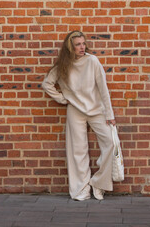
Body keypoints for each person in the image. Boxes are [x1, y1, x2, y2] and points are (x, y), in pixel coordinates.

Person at [42, 31, 116, 201]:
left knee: (110, 143)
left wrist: (109, 113)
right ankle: (81, 189)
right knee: (78, 151)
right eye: (78, 44)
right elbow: (47, 83)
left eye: (83, 43)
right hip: (75, 111)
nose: (82, 47)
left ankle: (99, 183)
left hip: (97, 110)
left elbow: (103, 89)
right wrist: (63, 99)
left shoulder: (92, 61)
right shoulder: (63, 65)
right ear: (70, 47)